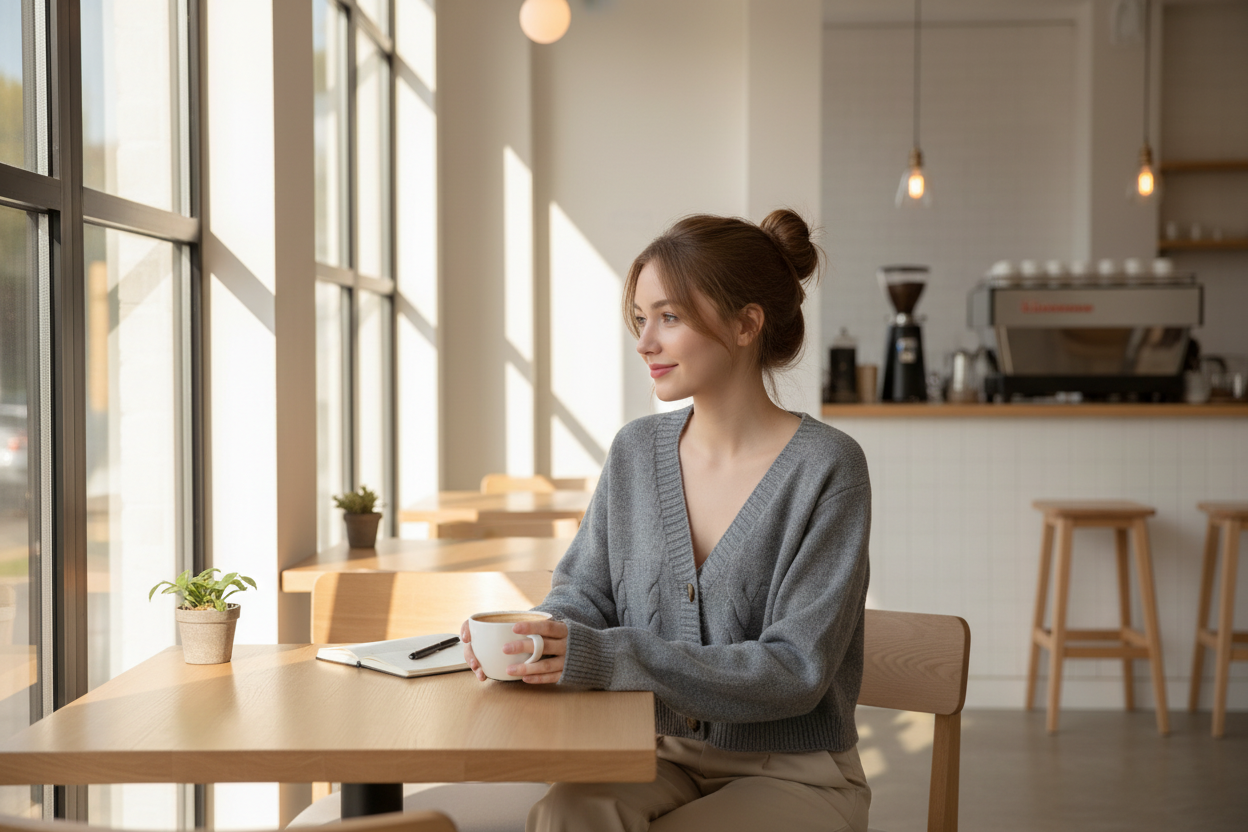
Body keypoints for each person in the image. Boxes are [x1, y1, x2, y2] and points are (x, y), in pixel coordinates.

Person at [461, 209, 872, 832]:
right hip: (649, 749)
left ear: (745, 324)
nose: (644, 342)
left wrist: (610, 656)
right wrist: (539, 638)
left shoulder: (828, 467)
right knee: (568, 814)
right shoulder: (634, 451)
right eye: (640, 319)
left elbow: (797, 670)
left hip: (793, 768)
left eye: (669, 318)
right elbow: (584, 595)